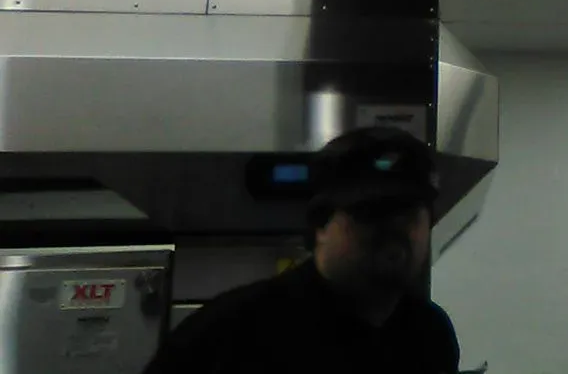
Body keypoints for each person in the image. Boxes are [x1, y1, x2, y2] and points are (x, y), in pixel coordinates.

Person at [143, 126, 461, 374]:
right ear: (320, 225)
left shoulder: (429, 335)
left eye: (407, 213)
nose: (392, 229)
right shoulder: (231, 336)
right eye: (370, 212)